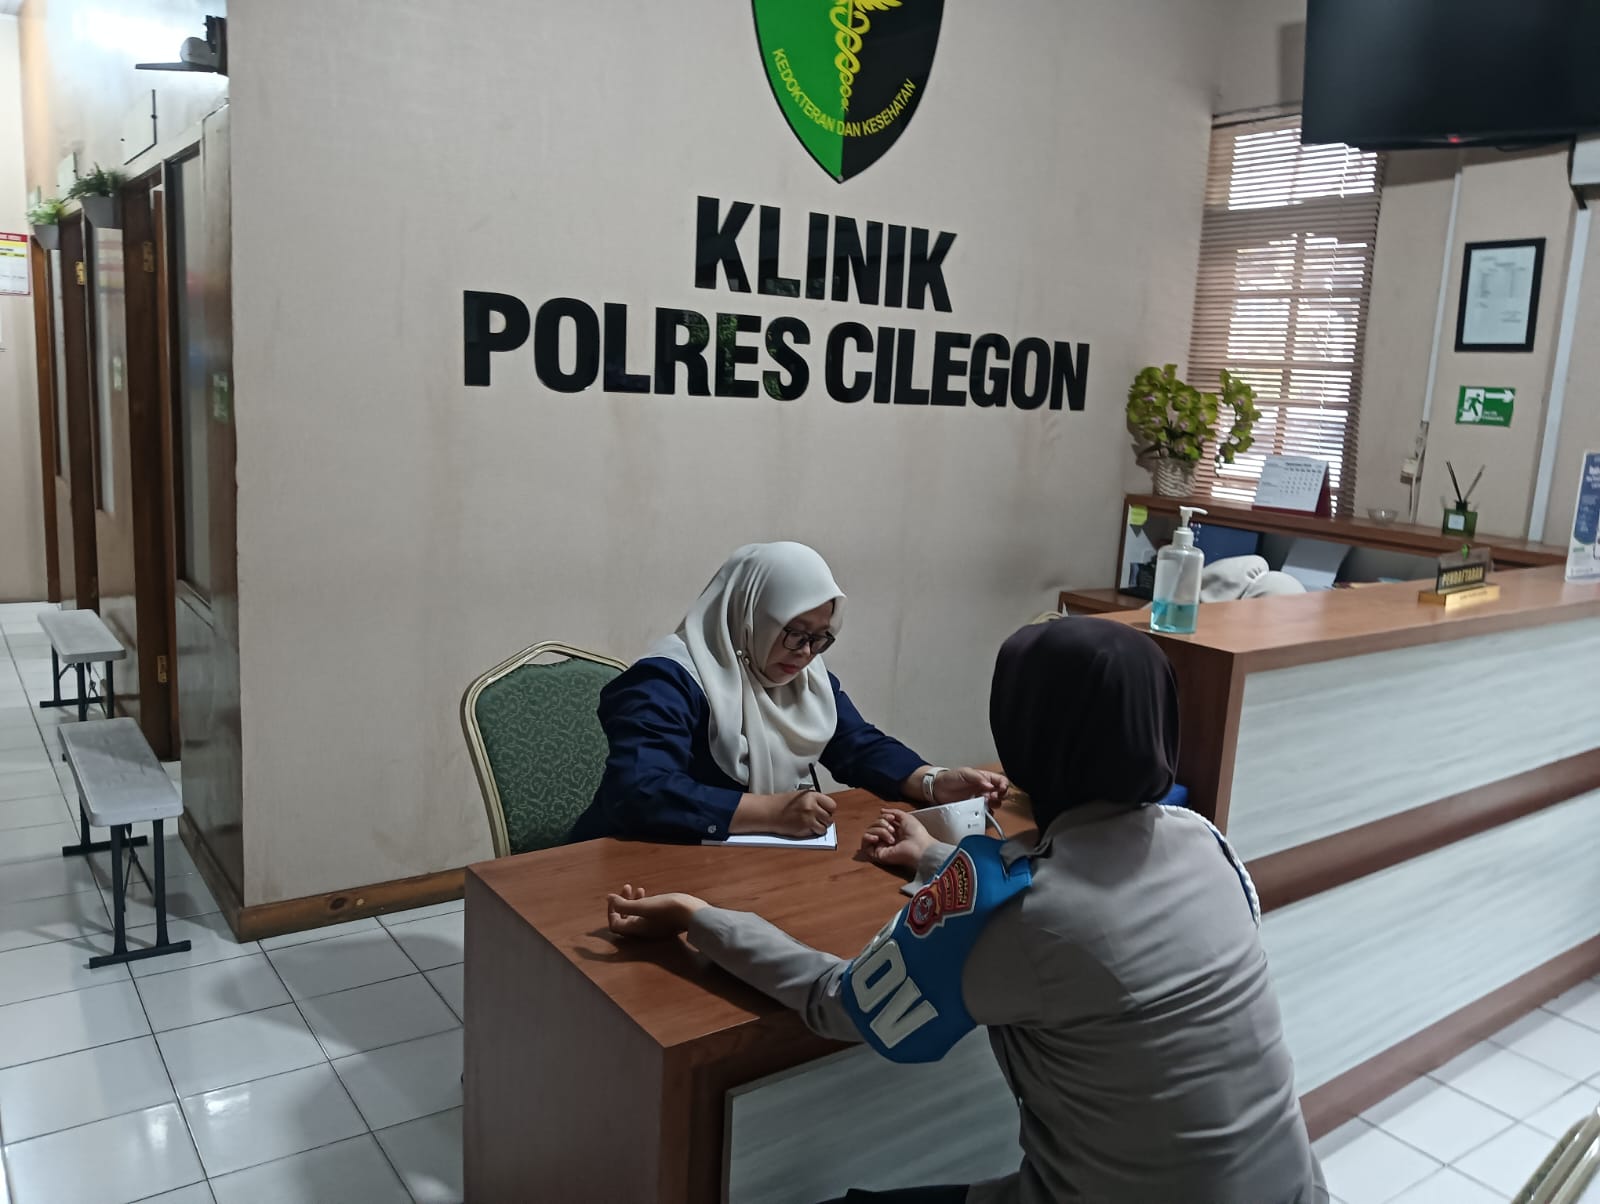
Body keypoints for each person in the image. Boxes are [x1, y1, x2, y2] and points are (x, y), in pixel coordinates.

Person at [605, 617, 1325, 1203]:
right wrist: (933, 858)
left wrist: (699, 918)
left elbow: (842, 1002)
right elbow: (1071, 911)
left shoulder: (1028, 913)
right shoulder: (1203, 841)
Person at [568, 542, 1007, 843]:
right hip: (628, 863)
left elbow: (856, 744)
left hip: (732, 866)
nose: (806, 653)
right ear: (749, 616)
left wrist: (933, 781)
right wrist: (771, 812)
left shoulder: (802, 675)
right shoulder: (665, 681)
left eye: (821, 638)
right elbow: (640, 791)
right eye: (794, 632)